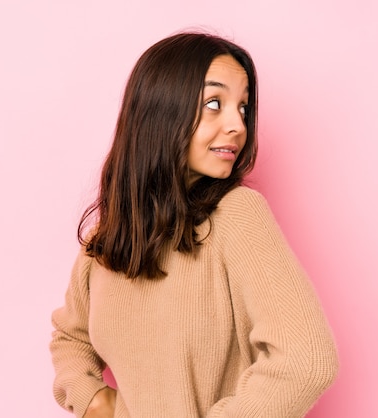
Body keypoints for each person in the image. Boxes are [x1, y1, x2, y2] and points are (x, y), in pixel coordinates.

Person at [50, 32, 339, 418]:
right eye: (214, 104)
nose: (238, 125)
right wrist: (95, 402)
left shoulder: (237, 214)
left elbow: (307, 361)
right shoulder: (108, 238)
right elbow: (71, 337)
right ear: (160, 110)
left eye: (243, 108)